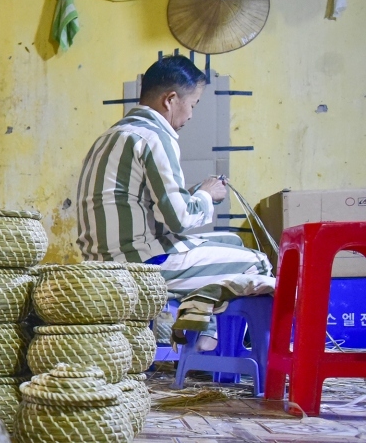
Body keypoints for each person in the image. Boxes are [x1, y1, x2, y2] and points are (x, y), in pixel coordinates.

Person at [75, 55, 273, 348]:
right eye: (192, 104)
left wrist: (195, 194)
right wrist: (207, 195)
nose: (191, 115)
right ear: (170, 100)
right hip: (141, 264)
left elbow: (143, 204)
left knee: (232, 243)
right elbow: (178, 220)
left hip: (100, 261)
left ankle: (200, 319)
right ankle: (216, 339)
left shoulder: (111, 136)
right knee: (256, 263)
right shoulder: (155, 136)